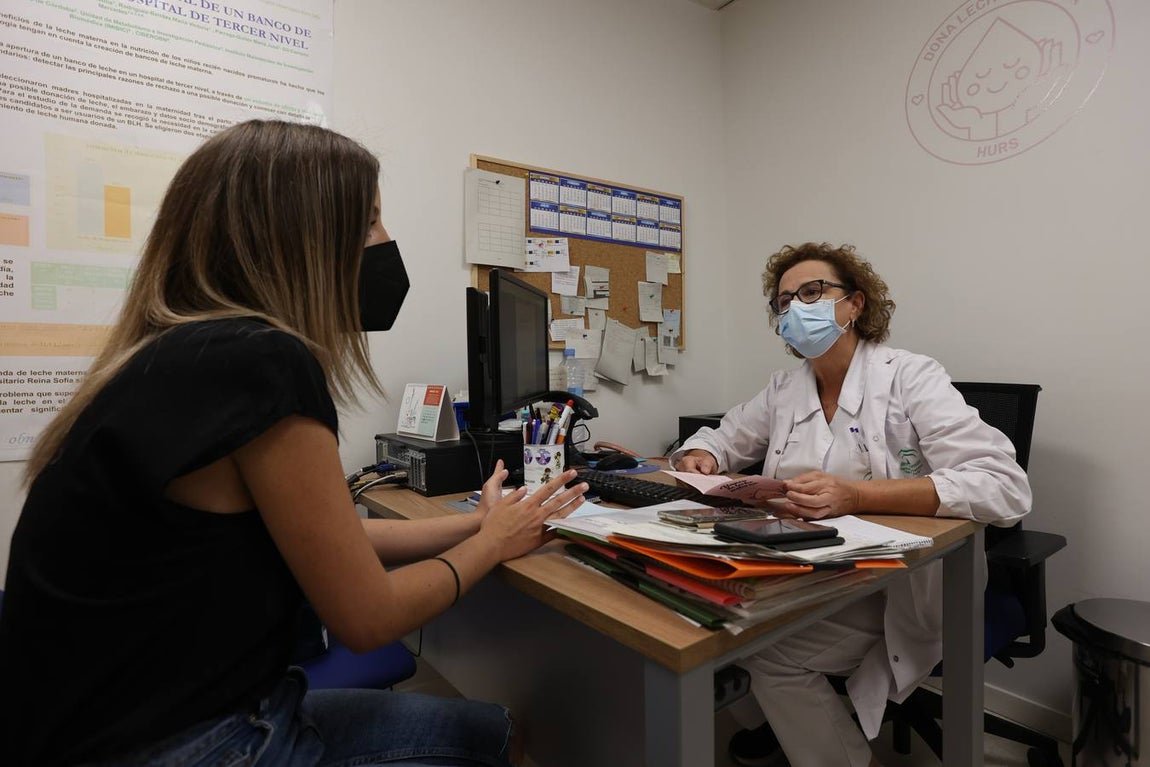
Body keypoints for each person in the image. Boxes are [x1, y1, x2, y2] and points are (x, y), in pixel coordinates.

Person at [0, 120, 588, 767]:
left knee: (495, 733)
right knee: (506, 739)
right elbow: (367, 615)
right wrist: (492, 543)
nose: (387, 243)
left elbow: (333, 541)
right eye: (368, 223)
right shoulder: (259, 363)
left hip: (130, 723)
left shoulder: (175, 358)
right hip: (186, 741)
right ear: (303, 238)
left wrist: (476, 522)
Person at [672, 242, 1031, 767]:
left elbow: (1004, 486)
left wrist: (856, 495)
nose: (796, 307)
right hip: (804, 567)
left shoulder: (910, 376)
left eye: (812, 291)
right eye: (784, 301)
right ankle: (780, 725)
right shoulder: (785, 388)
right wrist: (703, 452)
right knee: (708, 614)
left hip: (901, 582)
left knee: (769, 650)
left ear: (855, 304)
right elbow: (726, 436)